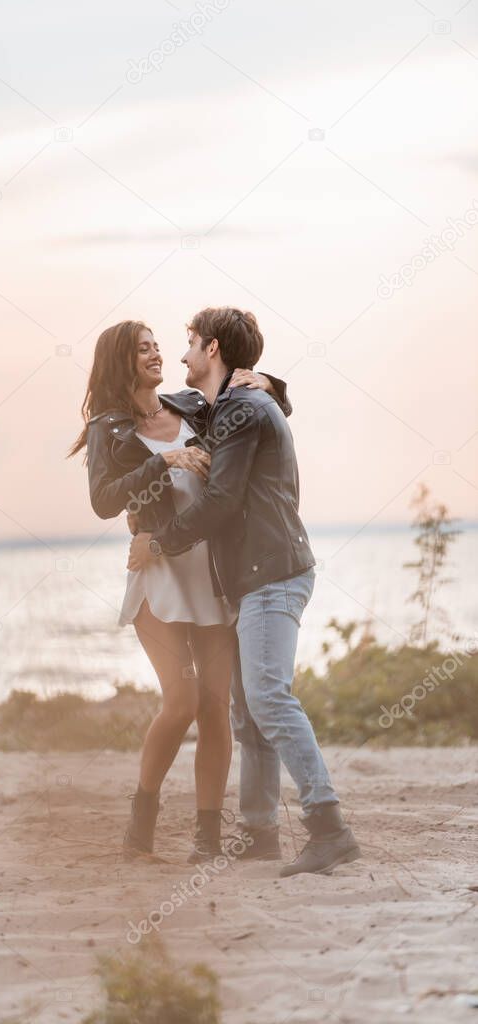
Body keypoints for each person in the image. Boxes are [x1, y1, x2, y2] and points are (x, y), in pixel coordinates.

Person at [128, 307, 361, 877]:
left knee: (270, 700)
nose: (180, 356)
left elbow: (220, 501)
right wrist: (275, 383)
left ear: (211, 349)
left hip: (272, 573)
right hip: (257, 576)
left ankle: (328, 827)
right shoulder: (234, 405)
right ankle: (259, 833)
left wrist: (158, 545)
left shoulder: (243, 408)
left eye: (187, 344)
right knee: (250, 715)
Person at [69, 320, 291, 861]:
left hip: (210, 573)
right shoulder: (109, 427)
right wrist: (161, 461)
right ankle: (140, 821)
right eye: (142, 348)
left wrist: (272, 385)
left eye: (156, 346)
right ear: (121, 359)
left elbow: (259, 419)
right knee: (183, 699)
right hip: (158, 574)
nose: (155, 354)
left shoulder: (193, 404)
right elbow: (103, 500)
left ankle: (206, 840)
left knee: (216, 707)